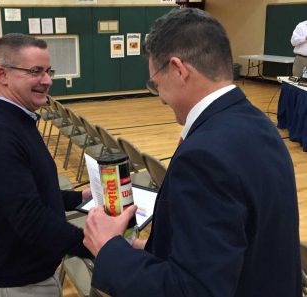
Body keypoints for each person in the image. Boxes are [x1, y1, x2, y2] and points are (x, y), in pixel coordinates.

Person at [83, 8, 302, 297]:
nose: (159, 97)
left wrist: (109, 249)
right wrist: (146, 251)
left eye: (156, 84)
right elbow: (233, 244)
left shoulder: (204, 157)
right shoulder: (259, 123)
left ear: (178, 69)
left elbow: (194, 290)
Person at [0, 33, 92, 296]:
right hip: (11, 286)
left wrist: (80, 197)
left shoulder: (18, 121)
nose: (47, 80)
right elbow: (31, 219)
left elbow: (27, 193)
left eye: (48, 71)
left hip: (28, 279)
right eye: (35, 71)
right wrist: (98, 245)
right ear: (2, 75)